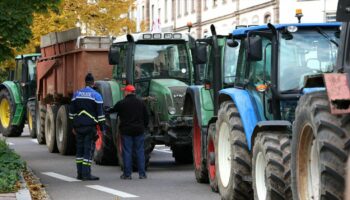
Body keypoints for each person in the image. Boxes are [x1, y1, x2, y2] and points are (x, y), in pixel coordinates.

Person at [107, 84, 149, 179]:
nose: (124, 92)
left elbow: (112, 110)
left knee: (127, 152)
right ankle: (142, 174)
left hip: (126, 131)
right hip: (139, 130)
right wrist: (143, 127)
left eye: (124, 91)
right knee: (140, 152)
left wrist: (106, 109)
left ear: (127, 92)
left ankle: (127, 174)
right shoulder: (141, 103)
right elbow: (146, 117)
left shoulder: (122, 103)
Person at [69, 73, 105, 181]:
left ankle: (79, 174)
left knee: (79, 151)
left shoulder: (76, 94)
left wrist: (73, 127)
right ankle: (86, 174)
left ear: (85, 82)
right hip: (90, 127)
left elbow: (71, 113)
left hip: (78, 127)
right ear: (93, 83)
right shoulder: (96, 95)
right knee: (88, 151)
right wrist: (102, 129)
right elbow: (101, 116)